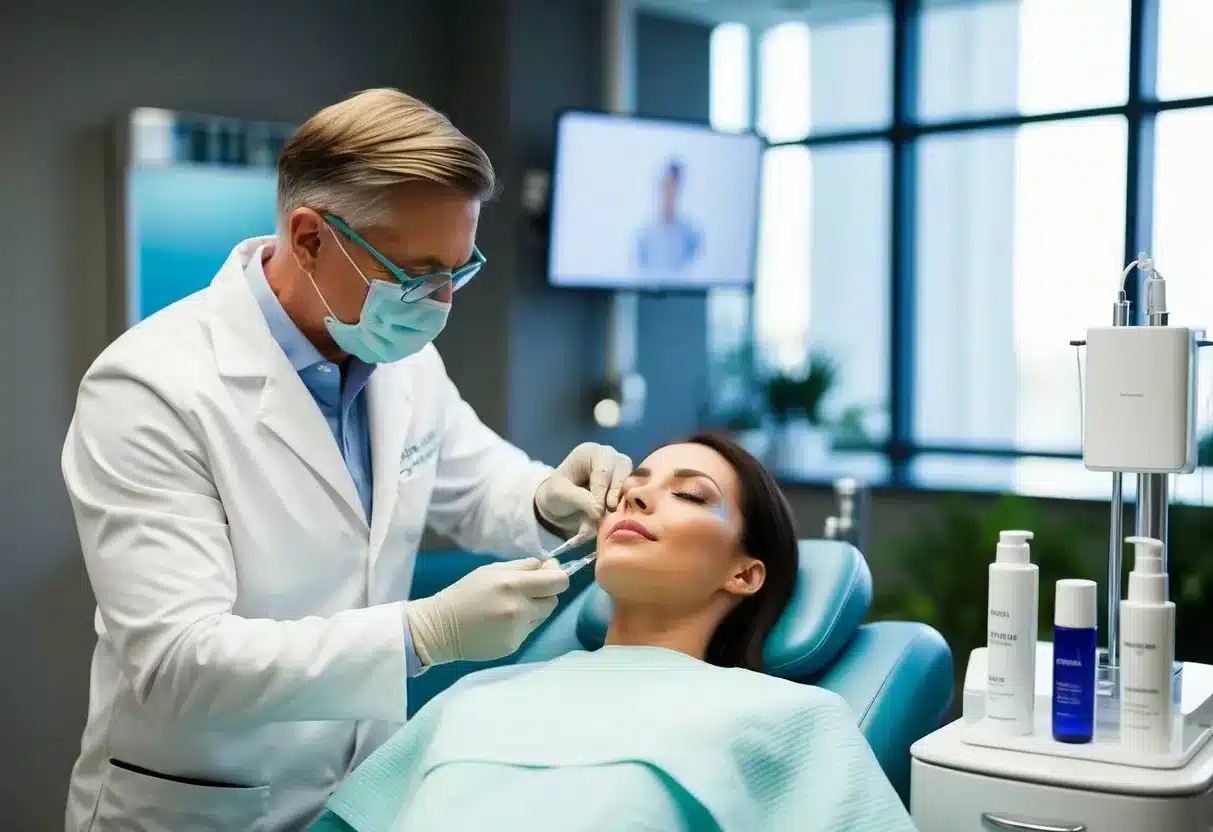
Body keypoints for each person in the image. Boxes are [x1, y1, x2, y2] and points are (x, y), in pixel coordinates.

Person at [61, 88, 632, 832]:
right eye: (415, 274)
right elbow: (177, 663)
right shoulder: (150, 388)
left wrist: (544, 497)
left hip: (360, 795)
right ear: (308, 238)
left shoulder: (397, 356)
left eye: (456, 273)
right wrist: (419, 636)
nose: (439, 303)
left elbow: (474, 481)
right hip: (203, 803)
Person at [313, 433, 916, 832]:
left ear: (744, 573)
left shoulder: (791, 716)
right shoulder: (477, 694)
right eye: (634, 486)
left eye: (687, 494)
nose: (638, 497)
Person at [635, 158, 703, 273]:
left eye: (674, 186)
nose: (670, 192)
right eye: (667, 185)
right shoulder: (644, 235)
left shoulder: (691, 234)